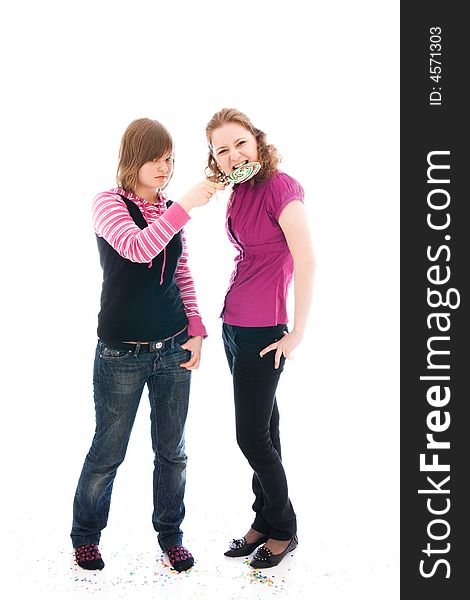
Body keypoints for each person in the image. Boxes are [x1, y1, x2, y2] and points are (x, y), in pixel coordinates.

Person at [71, 118, 223, 573]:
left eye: (171, 158)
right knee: (108, 453)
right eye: (157, 157)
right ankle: (86, 536)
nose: (166, 167)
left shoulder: (170, 210)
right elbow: (138, 249)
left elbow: (181, 273)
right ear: (132, 158)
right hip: (121, 353)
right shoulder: (107, 204)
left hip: (172, 348)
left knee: (172, 453)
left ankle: (171, 536)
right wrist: (189, 206)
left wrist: (195, 329)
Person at [205, 108, 315, 569]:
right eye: (222, 150)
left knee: (250, 437)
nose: (233, 155)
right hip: (234, 327)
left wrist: (295, 335)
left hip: (264, 333)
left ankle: (284, 528)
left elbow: (307, 260)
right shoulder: (238, 190)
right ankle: (263, 522)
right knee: (265, 429)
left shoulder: (280, 186)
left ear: (257, 140)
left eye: (240, 143)